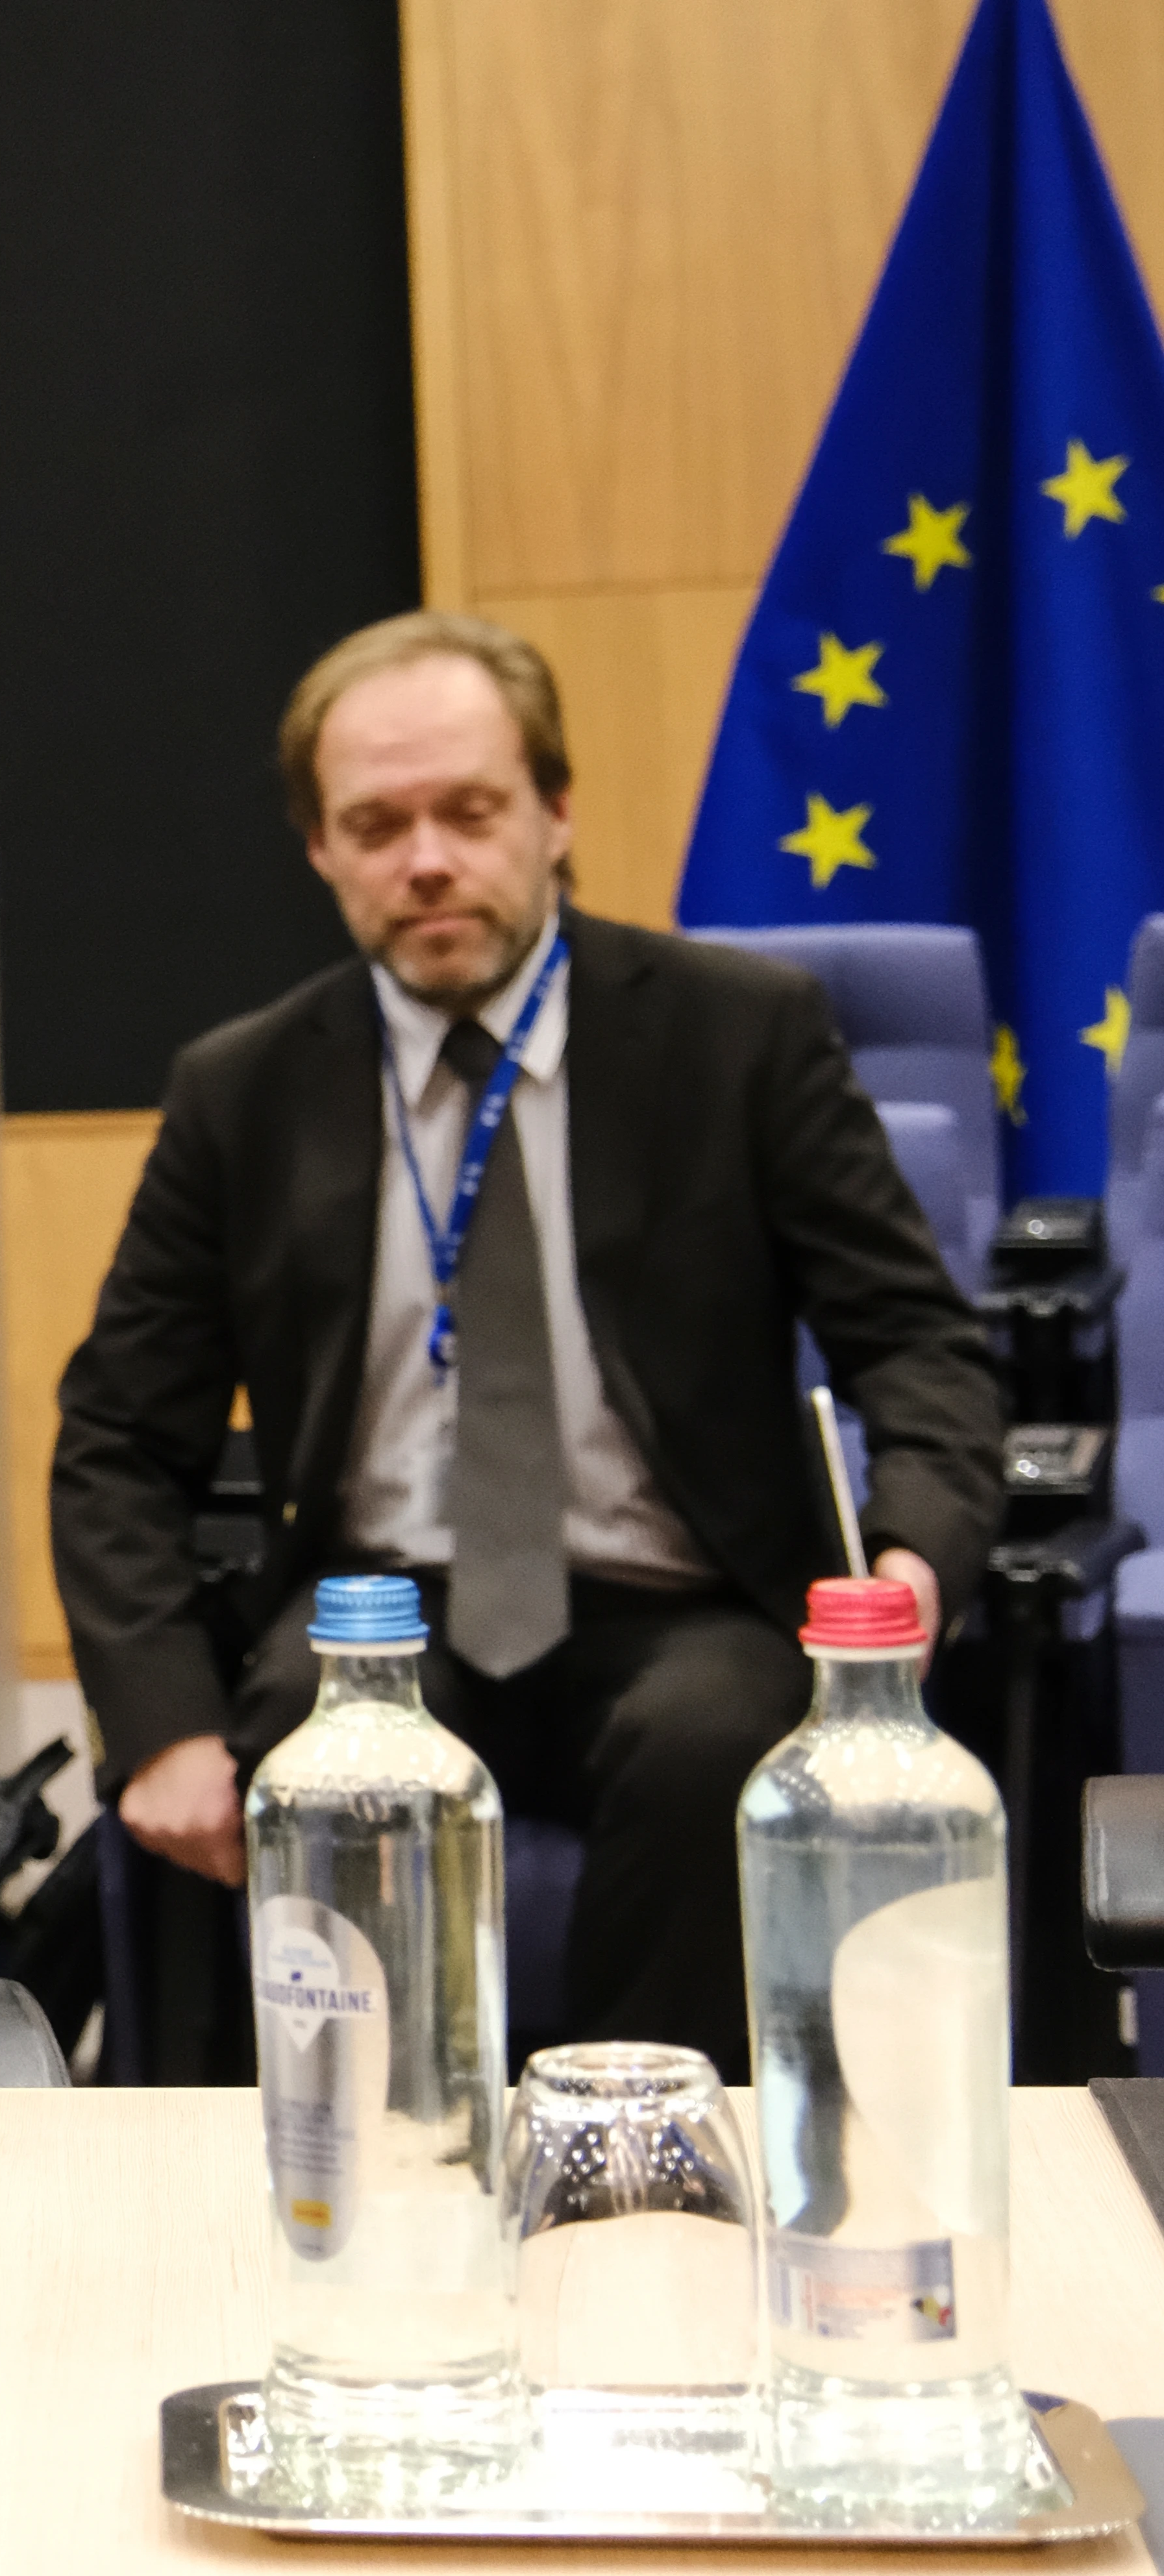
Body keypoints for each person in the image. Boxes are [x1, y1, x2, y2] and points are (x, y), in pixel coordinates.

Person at [50, 611, 1002, 2073]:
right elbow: (118, 1434)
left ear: (554, 812)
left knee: (718, 1735)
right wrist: (162, 1722)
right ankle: (376, 2178)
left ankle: (638, 2173)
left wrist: (911, 1557)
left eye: (469, 812)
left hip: (683, 1602)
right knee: (320, 1737)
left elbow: (920, 1347)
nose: (426, 858)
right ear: (319, 847)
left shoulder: (738, 1037)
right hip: (378, 1618)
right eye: (376, 824)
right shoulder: (243, 1090)